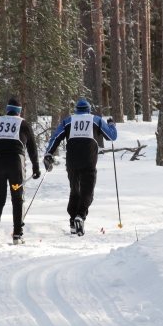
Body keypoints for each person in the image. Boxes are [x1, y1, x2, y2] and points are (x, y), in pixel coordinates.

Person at [43, 98, 117, 236]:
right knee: (87, 191)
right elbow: (112, 137)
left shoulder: (68, 121)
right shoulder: (96, 120)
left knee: (75, 191)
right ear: (89, 110)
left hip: (72, 163)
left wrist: (49, 154)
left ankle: (72, 221)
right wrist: (112, 125)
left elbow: (56, 137)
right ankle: (80, 216)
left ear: (76, 110)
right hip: (88, 161)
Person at [0, 99, 40, 244]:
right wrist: (36, 167)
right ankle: (17, 234)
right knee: (17, 198)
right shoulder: (24, 124)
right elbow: (32, 147)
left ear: (7, 110)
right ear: (19, 112)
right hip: (16, 162)